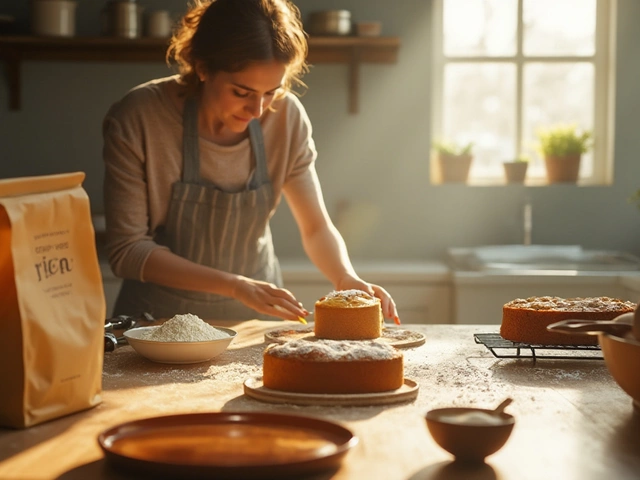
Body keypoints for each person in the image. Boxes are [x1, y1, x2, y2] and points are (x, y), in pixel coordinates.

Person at [102, 0, 399, 324]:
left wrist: (345, 277)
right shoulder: (138, 117)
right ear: (202, 67)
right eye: (242, 92)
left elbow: (315, 227)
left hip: (255, 320)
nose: (258, 109)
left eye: (272, 91)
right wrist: (235, 285)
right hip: (156, 323)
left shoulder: (286, 117)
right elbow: (127, 250)